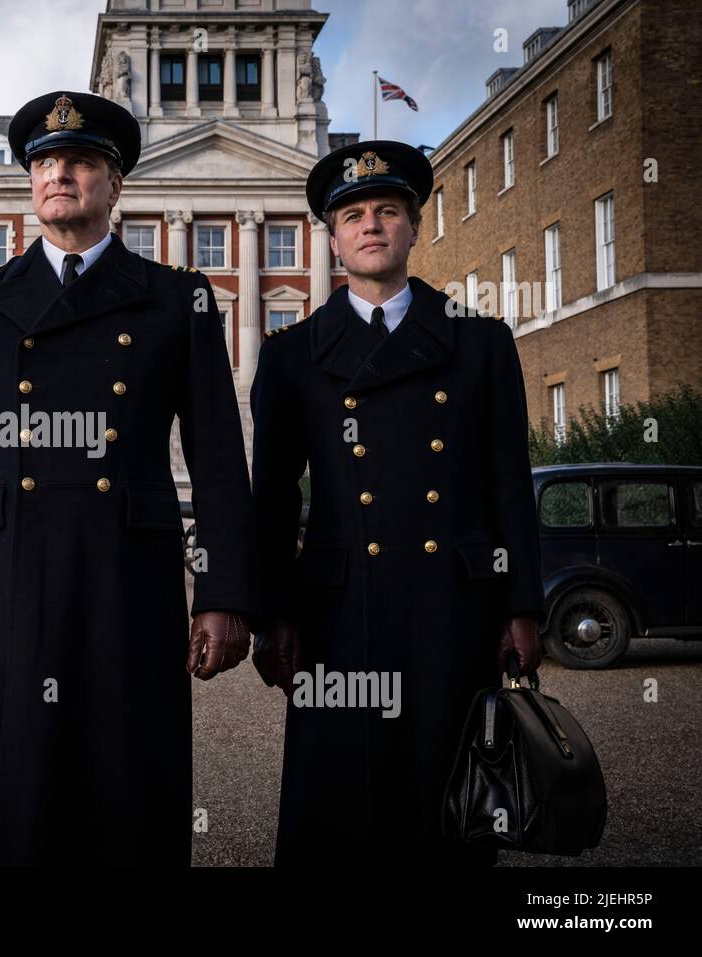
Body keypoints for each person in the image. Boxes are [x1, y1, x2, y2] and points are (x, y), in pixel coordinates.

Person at [0, 90, 258, 866]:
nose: (59, 173)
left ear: (116, 182)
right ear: (31, 183)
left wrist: (227, 593)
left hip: (124, 578)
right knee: (14, 789)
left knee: (125, 782)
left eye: (80, 161)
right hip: (0, 580)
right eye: (45, 162)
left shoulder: (178, 298)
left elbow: (219, 459)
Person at [249, 139, 543, 865]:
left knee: (445, 796)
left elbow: (510, 480)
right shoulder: (293, 354)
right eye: (353, 214)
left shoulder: (480, 342)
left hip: (453, 606)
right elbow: (274, 497)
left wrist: (522, 606)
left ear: (414, 225)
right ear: (335, 235)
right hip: (339, 612)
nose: (371, 225)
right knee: (339, 804)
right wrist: (273, 613)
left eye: (387, 211)